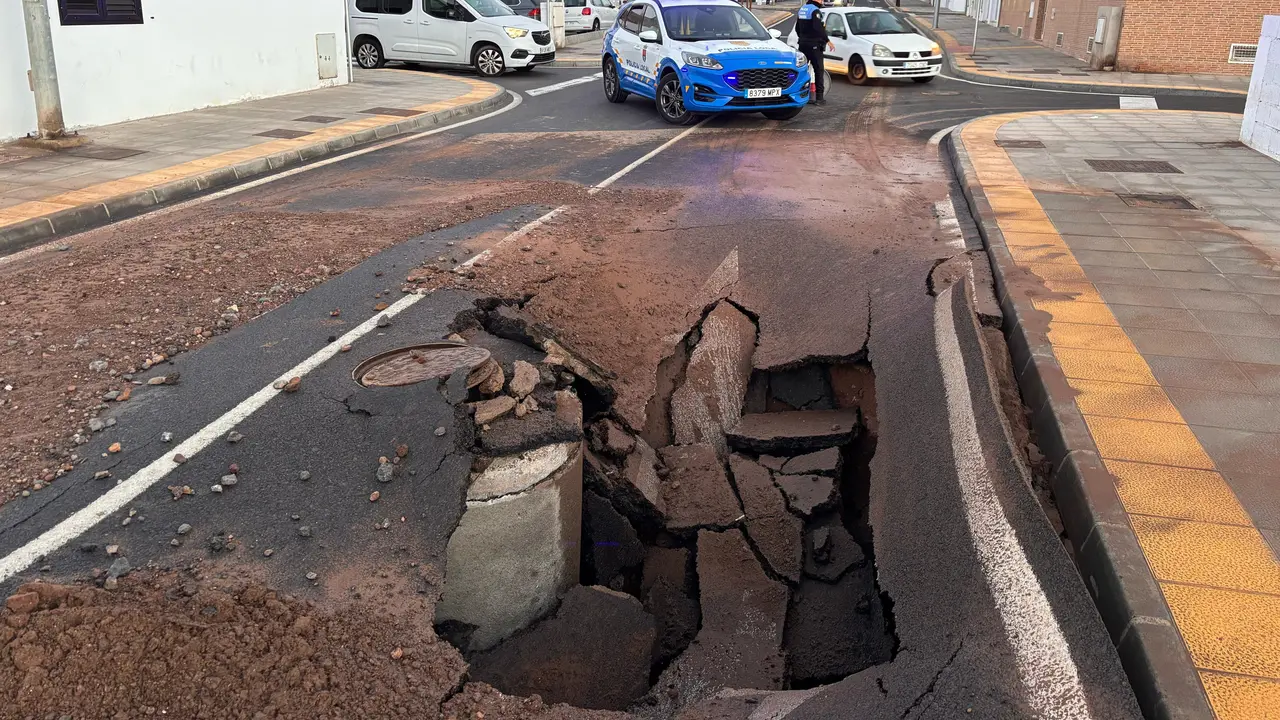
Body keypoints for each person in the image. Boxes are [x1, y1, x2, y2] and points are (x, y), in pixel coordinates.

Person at [794, 0, 830, 104]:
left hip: (803, 44)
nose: (822, 0)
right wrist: (827, 40)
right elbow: (818, 28)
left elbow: (797, 28)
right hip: (814, 45)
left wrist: (803, 38)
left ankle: (799, 95)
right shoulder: (815, 11)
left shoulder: (802, 9)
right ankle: (819, 98)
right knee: (818, 70)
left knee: (802, 70)